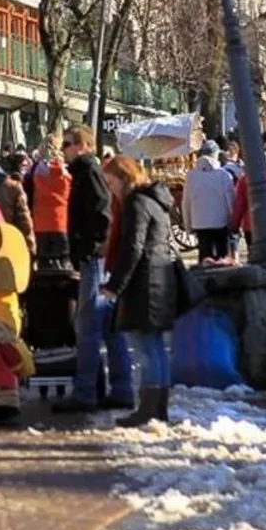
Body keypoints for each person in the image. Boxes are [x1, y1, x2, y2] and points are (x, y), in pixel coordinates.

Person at [52, 125, 133, 414]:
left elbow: (102, 214)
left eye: (69, 144)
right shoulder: (86, 173)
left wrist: (89, 247)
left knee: (87, 327)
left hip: (95, 259)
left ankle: (86, 392)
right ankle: (122, 388)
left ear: (84, 145)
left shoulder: (88, 173)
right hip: (101, 257)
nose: (64, 149)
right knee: (110, 327)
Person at [99, 156, 182, 427]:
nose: (110, 188)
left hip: (143, 283)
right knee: (156, 347)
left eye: (111, 182)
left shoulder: (135, 203)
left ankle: (147, 409)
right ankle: (158, 408)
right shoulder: (155, 200)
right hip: (159, 279)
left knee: (146, 348)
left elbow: (132, 249)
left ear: (124, 178)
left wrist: (115, 286)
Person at [182, 145, 237, 264]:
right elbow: (230, 200)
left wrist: (188, 226)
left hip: (199, 223)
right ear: (216, 155)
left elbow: (186, 202)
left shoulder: (191, 176)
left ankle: (203, 280)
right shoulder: (223, 175)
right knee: (222, 258)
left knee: (204, 256)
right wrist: (234, 223)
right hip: (220, 222)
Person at [26, 149, 73, 264]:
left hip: (40, 222)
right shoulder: (68, 172)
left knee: (43, 262)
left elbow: (28, 193)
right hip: (62, 221)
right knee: (64, 262)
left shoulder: (35, 171)